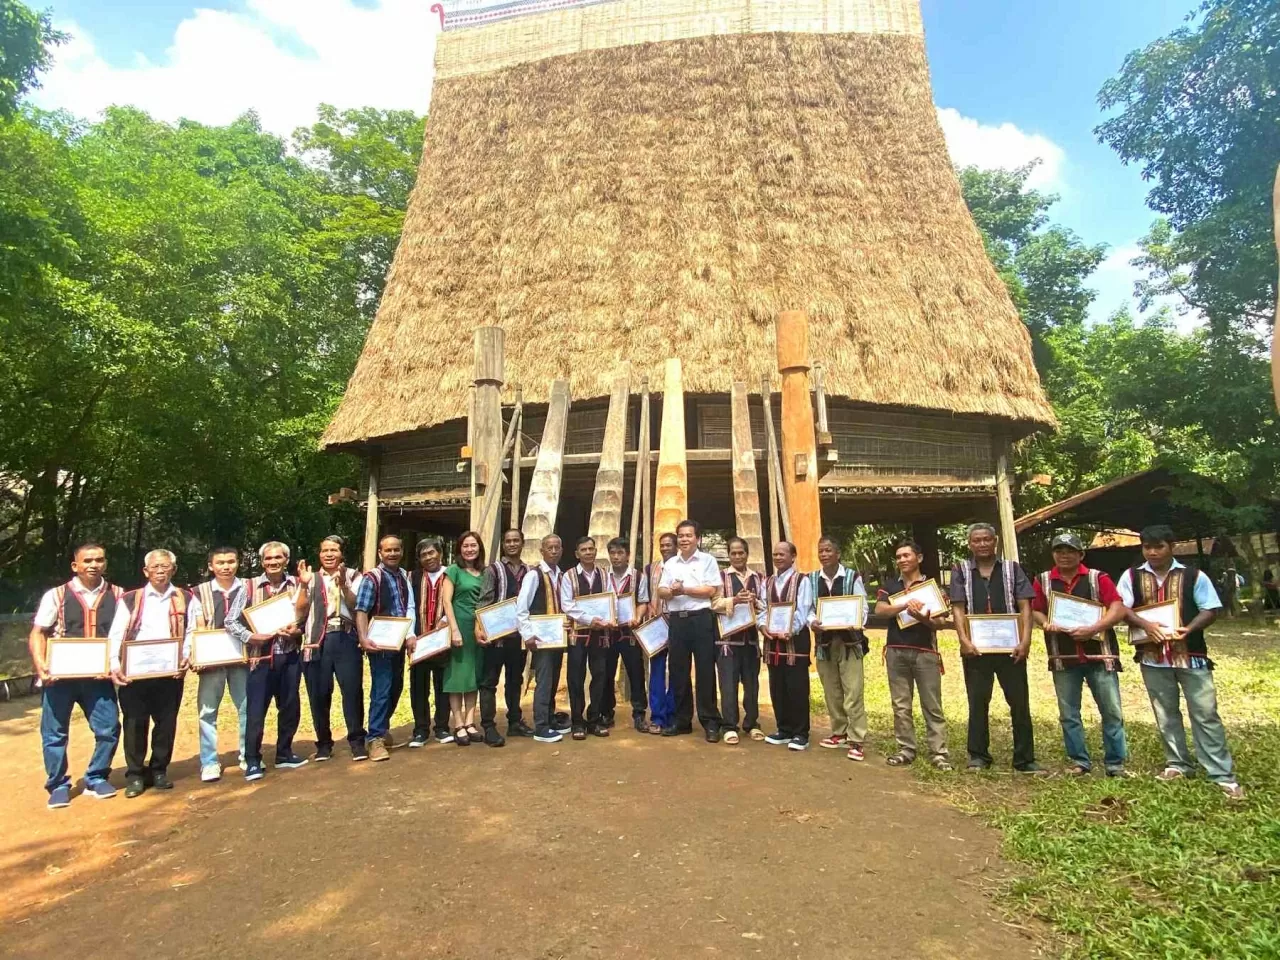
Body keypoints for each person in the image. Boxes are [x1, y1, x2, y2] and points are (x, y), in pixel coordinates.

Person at [1118, 525, 1243, 800]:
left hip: (1191, 655)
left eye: (1158, 546)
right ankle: (1177, 764)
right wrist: (1145, 624)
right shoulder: (1132, 576)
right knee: (1165, 713)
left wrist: (1189, 628)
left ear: (1171, 546)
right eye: (1147, 547)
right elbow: (1121, 608)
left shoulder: (1193, 576)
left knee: (1205, 713)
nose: (1152, 552)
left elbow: (1210, 609)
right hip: (1152, 657)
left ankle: (1221, 774)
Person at [29, 542, 122, 809]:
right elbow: (38, 632)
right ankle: (58, 784)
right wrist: (41, 665)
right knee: (54, 733)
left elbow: (125, 634)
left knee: (109, 728)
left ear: (105, 563)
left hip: (99, 677)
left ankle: (96, 776)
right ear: (75, 565)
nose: (93, 565)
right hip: (60, 678)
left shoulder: (119, 594)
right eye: (88, 561)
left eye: (99, 560)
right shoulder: (56, 595)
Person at [1030, 533, 1131, 777]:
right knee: (1069, 713)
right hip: (1063, 657)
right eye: (1059, 551)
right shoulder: (1043, 580)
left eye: (1070, 551)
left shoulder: (1098, 578)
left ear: (1081, 554)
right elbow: (1036, 611)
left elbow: (1117, 608)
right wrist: (1045, 623)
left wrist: (1094, 628)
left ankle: (1115, 762)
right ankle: (1079, 761)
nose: (1064, 555)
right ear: (1053, 554)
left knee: (1111, 711)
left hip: (1099, 655)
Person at [950, 523, 1045, 774]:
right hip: (975, 650)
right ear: (970, 544)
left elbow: (1025, 605)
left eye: (986, 539)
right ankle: (978, 756)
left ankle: (1025, 759)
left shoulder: (1012, 570)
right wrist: (963, 640)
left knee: (1019, 703)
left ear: (995, 542)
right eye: (977, 540)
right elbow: (958, 607)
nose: (982, 544)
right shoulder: (960, 571)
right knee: (978, 702)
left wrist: (1025, 640)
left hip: (1011, 648)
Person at [107, 549, 188, 798]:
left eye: (165, 566)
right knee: (134, 723)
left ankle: (160, 770)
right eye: (155, 567)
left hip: (169, 672)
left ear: (173, 570)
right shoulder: (131, 599)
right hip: (135, 673)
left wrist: (187, 655)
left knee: (166, 722)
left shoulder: (185, 597)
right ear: (146, 571)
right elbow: (117, 633)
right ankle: (135, 775)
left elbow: (192, 630)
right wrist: (114, 663)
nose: (160, 571)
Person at [241, 541, 312, 780]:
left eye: (278, 558)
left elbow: (306, 618)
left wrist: (298, 631)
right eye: (268, 559)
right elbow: (231, 621)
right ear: (262, 562)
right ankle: (252, 760)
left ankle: (284, 753)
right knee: (256, 711)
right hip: (260, 659)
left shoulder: (297, 584)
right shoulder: (249, 586)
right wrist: (252, 636)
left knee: (290, 706)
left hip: (290, 656)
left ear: (286, 560)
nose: (273, 563)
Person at [876, 541, 949, 770]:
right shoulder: (890, 585)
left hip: (925, 652)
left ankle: (939, 753)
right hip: (896, 650)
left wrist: (922, 617)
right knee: (901, 705)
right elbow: (879, 610)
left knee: (932, 705)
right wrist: (904, 605)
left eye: (906, 555)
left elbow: (939, 623)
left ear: (919, 557)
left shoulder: (932, 588)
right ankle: (906, 749)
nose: (902, 560)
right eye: (898, 557)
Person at [185, 545, 250, 782]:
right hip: (211, 660)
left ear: (238, 563)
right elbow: (196, 626)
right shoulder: (197, 592)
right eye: (220, 563)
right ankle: (210, 761)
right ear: (211, 566)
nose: (226, 567)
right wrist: (196, 654)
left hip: (241, 658)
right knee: (207, 711)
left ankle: (247, 755)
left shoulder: (247, 588)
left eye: (231, 562)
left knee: (246, 707)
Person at [299, 535, 367, 762]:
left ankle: (357, 741)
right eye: (324, 550)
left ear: (341, 554)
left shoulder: (354, 575)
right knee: (318, 693)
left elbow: (357, 605)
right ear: (319, 555)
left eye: (334, 550)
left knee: (352, 691)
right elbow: (299, 612)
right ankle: (324, 744)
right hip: (318, 639)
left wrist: (343, 586)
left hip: (346, 638)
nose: (329, 554)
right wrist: (302, 585)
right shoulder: (310, 578)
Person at [657, 520, 723, 742]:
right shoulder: (670, 564)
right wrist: (672, 592)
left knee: (705, 670)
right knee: (678, 671)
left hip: (701, 620)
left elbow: (710, 590)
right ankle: (682, 720)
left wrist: (683, 589)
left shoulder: (708, 560)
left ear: (697, 538)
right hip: (677, 621)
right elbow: (661, 590)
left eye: (689, 535)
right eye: (681, 536)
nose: (684, 539)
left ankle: (710, 721)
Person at [808, 535, 870, 761]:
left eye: (828, 550)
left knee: (853, 690)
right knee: (831, 690)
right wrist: (812, 622)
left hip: (850, 642)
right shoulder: (812, 579)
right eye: (820, 551)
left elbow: (862, 606)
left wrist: (855, 621)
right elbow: (808, 608)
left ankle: (857, 738)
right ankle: (839, 732)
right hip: (825, 643)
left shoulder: (852, 577)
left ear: (838, 553)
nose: (824, 555)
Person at [355, 534, 416, 762]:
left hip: (398, 642)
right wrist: (363, 637)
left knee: (396, 687)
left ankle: (381, 726)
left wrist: (410, 635)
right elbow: (361, 610)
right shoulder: (373, 578)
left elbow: (407, 607)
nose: (392, 554)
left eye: (396, 550)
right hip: (379, 644)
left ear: (401, 551)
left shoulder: (402, 576)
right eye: (388, 550)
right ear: (380, 553)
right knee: (382, 688)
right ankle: (375, 738)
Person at [475, 529, 534, 745]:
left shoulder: (529, 571)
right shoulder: (493, 570)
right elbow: (484, 601)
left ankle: (515, 722)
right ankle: (489, 727)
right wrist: (480, 627)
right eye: (508, 541)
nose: (511, 544)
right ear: (503, 545)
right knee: (489, 681)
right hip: (496, 636)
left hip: (518, 637)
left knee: (515, 680)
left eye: (516, 540)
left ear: (522, 543)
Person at [758, 541, 813, 751]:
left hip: (794, 641)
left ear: (793, 556)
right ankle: (783, 729)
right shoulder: (768, 581)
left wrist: (791, 629)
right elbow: (763, 607)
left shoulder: (802, 580)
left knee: (797, 687)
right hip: (772, 640)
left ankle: (801, 733)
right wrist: (763, 626)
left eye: (782, 554)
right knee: (777, 685)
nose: (778, 558)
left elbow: (803, 608)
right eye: (775, 555)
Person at [711, 536, 764, 744]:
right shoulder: (721, 578)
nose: (737, 556)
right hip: (727, 642)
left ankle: (752, 723)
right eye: (733, 553)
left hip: (750, 640)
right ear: (728, 555)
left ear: (747, 554)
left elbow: (766, 606)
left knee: (752, 684)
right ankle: (729, 725)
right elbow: (714, 604)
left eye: (741, 552)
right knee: (728, 684)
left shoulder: (758, 578)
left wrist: (755, 601)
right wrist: (735, 599)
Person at [516, 534, 569, 743]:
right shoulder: (534, 575)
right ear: (542, 551)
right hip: (540, 639)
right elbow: (521, 608)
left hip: (557, 638)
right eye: (550, 548)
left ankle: (550, 718)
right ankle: (541, 727)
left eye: (557, 547)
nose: (554, 551)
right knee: (544, 681)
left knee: (554, 679)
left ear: (562, 550)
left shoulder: (561, 575)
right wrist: (527, 635)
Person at [562, 536, 613, 740]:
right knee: (576, 678)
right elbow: (567, 604)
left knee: (600, 676)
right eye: (584, 549)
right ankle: (577, 721)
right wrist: (590, 619)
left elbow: (611, 598)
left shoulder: (604, 574)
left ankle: (594, 719)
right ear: (577, 554)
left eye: (591, 549)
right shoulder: (569, 576)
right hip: (578, 634)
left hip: (600, 634)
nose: (588, 552)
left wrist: (609, 617)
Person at [441, 531, 485, 745]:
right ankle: (458, 723)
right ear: (460, 548)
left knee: (473, 675)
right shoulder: (453, 571)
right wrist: (454, 629)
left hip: (478, 628)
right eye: (466, 545)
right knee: (457, 676)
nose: (470, 549)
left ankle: (470, 721)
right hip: (459, 626)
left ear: (479, 548)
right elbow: (447, 602)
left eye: (473, 545)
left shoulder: (484, 572)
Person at [408, 538, 452, 747]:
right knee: (419, 687)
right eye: (424, 555)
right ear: (419, 559)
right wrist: (409, 634)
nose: (428, 558)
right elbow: (408, 606)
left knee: (443, 685)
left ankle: (442, 727)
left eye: (432, 553)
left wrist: (445, 621)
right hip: (419, 641)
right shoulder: (413, 577)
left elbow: (457, 601)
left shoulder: (451, 574)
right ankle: (420, 730)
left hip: (443, 640)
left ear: (440, 553)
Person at [644, 532, 678, 736]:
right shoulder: (651, 569)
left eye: (668, 545)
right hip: (656, 625)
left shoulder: (682, 567)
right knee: (656, 670)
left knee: (676, 670)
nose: (665, 548)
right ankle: (657, 716)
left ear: (676, 547)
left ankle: (672, 715)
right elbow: (645, 595)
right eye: (662, 545)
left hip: (678, 624)